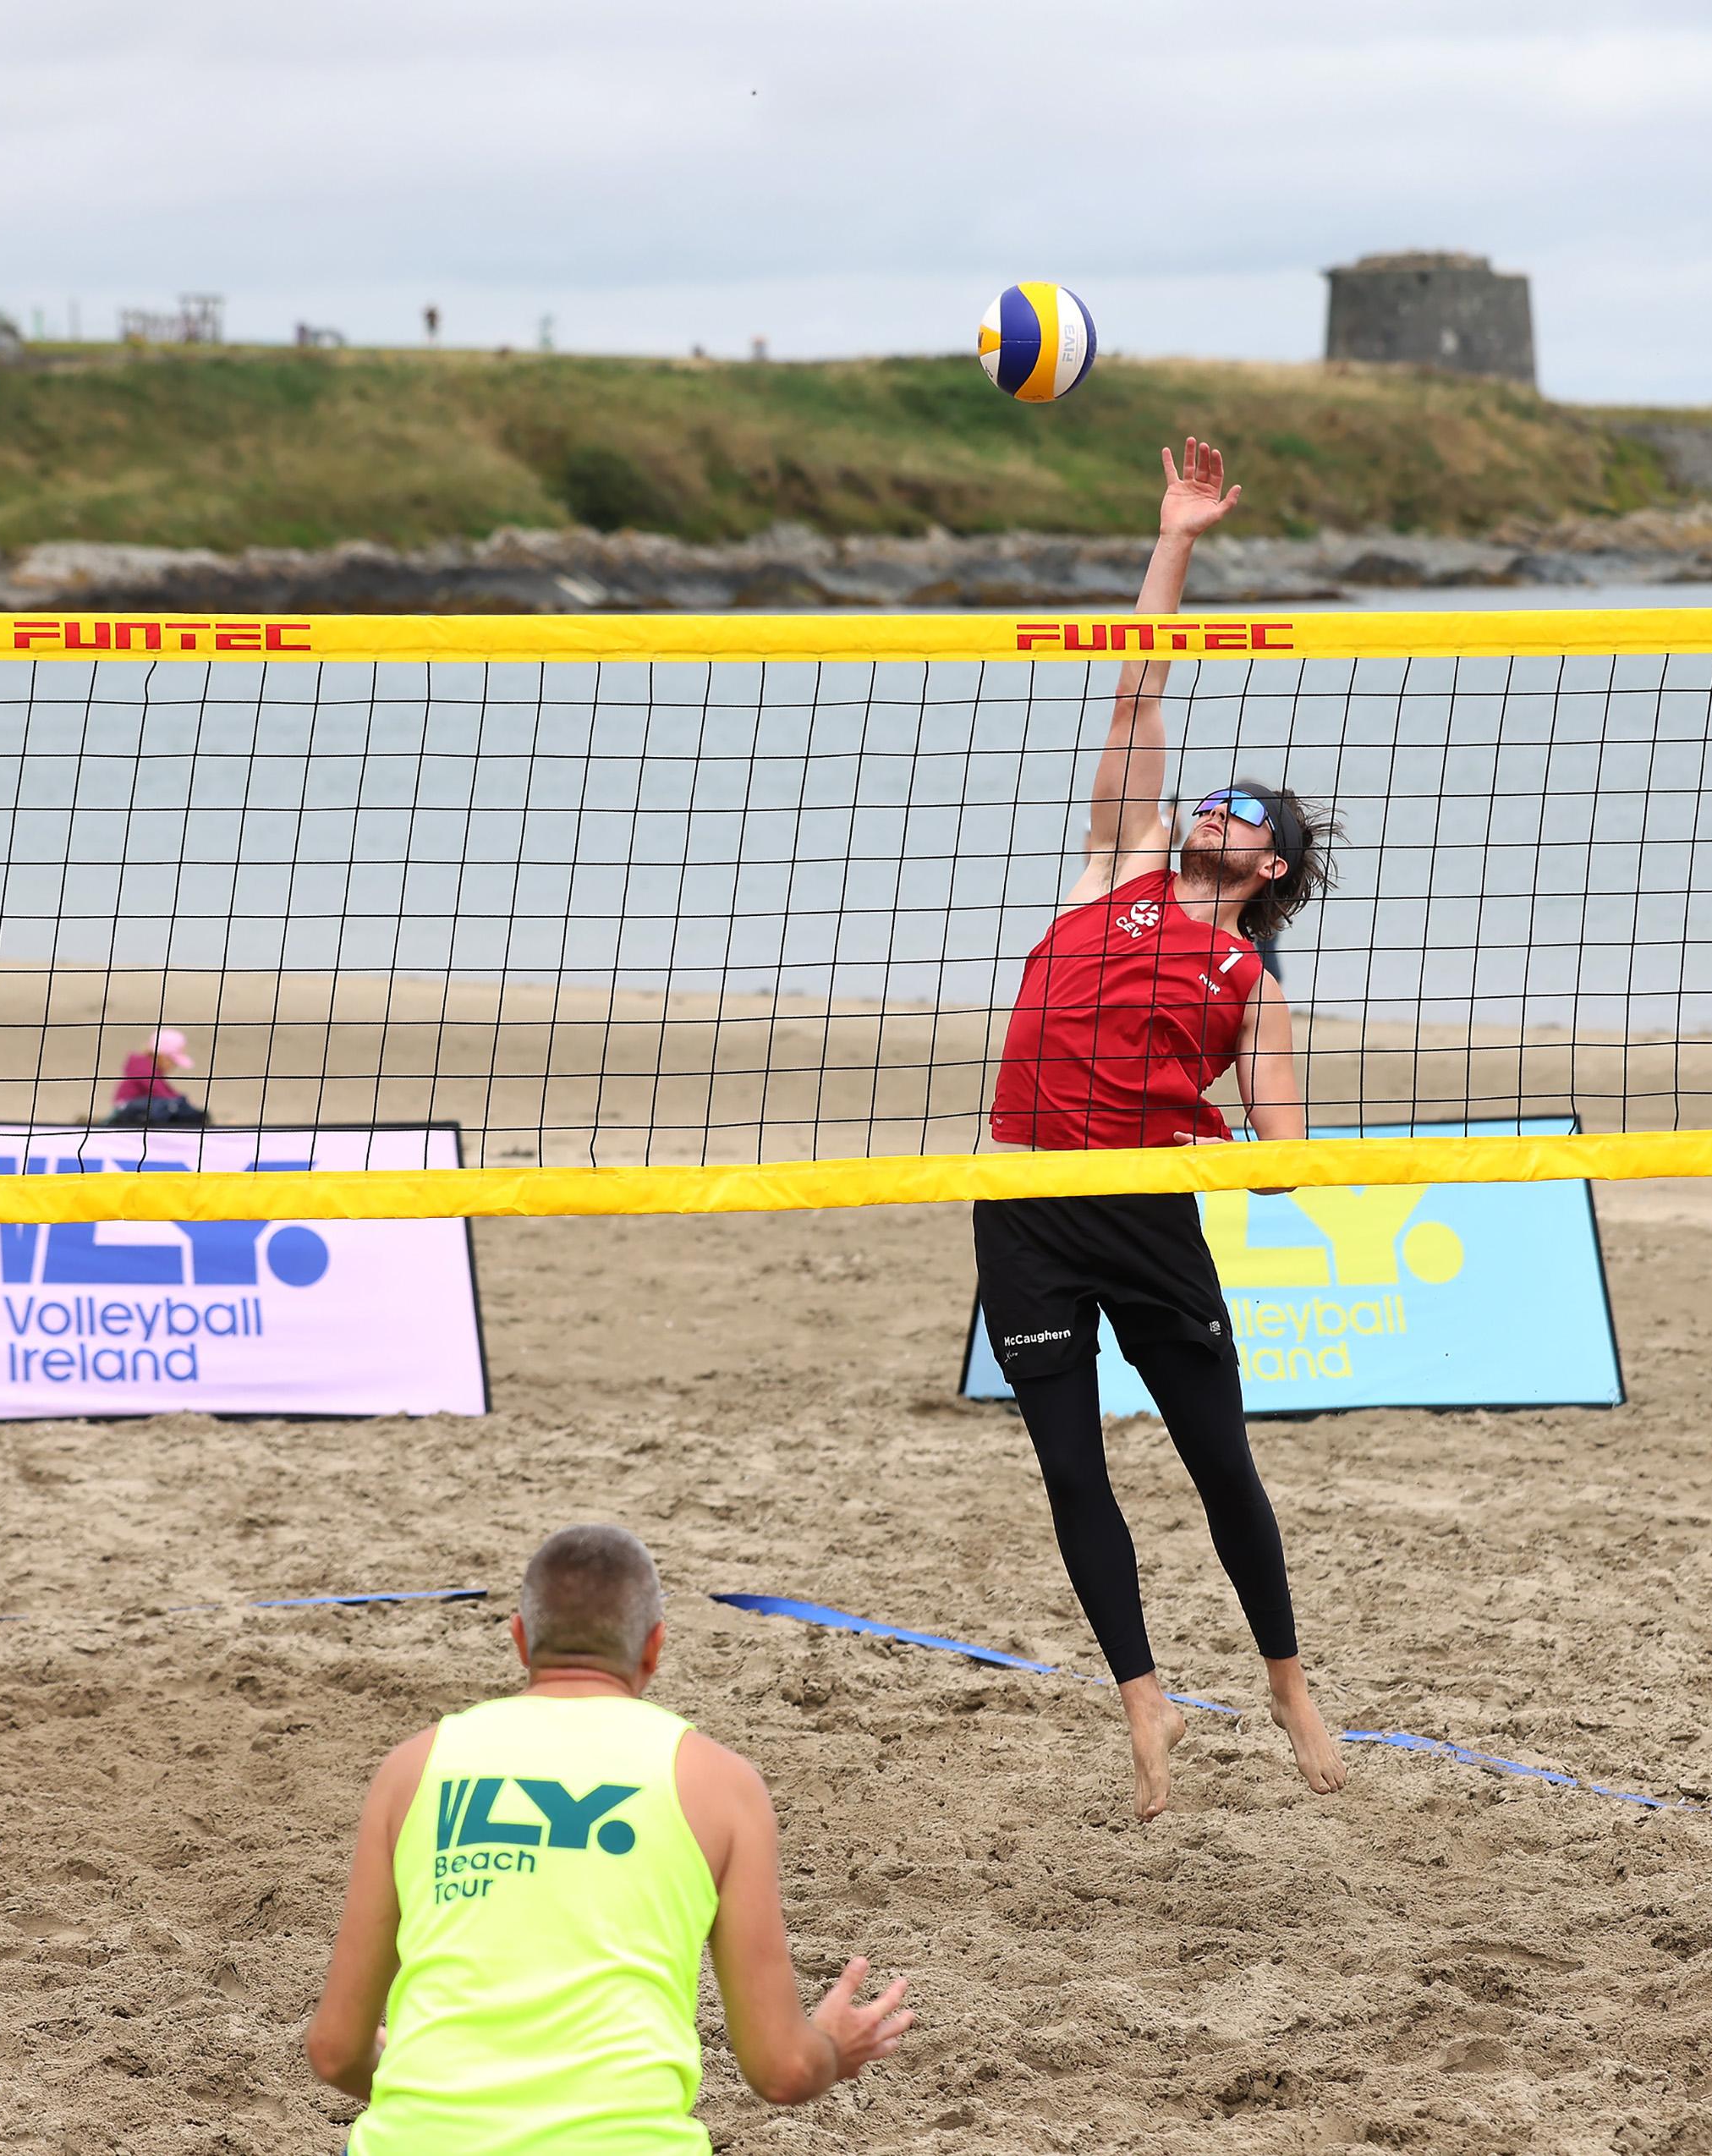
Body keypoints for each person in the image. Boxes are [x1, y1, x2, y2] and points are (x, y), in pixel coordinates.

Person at [979, 438, 1348, 1823]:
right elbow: (1140, 681)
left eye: (1245, 809)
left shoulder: (1252, 983)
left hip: (1145, 1217)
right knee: (1073, 1470)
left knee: (1220, 1465)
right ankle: (1143, 1702)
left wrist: (1236, 1156)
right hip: (1018, 1200)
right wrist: (1175, 534)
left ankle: (1286, 1674)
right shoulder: (1122, 863)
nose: (1218, 802)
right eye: (1219, 792)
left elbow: (1283, 1160)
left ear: (1272, 866)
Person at [308, 1524, 914, 2149]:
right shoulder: (720, 1784)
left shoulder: (413, 1768)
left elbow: (334, 2049)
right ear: (654, 1647)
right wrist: (833, 2049)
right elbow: (781, 2071)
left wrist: (431, 2087)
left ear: (519, 1640)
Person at [106, 1027, 206, 1127]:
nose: (174, 1066)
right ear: (161, 1056)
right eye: (172, 1061)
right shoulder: (142, 1068)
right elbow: (164, 1095)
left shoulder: (149, 1068)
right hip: (127, 1118)